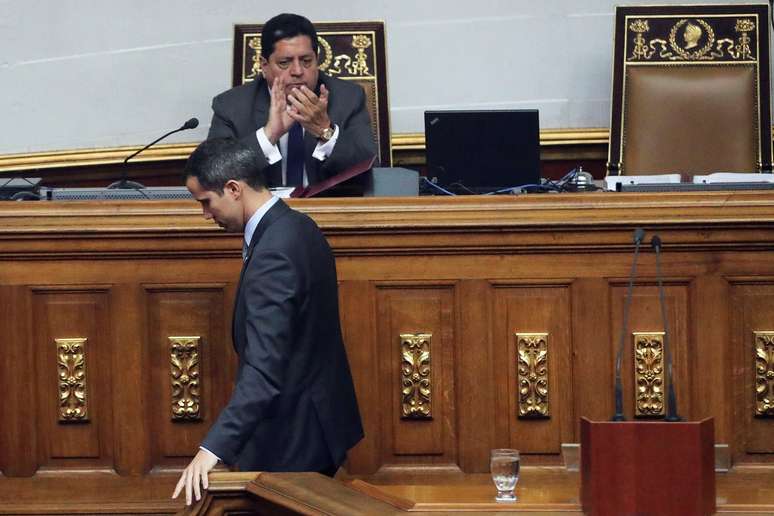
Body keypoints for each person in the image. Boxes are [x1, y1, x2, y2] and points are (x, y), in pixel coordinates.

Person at [173, 138, 364, 506]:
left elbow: (263, 369)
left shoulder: (274, 252)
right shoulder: (298, 226)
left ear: (233, 189)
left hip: (295, 437)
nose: (205, 215)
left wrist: (212, 449)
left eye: (206, 202)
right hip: (316, 422)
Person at [207, 13, 377, 188]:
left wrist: (326, 132)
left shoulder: (347, 98)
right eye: (284, 63)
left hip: (326, 210)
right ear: (264, 66)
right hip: (263, 213)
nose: (297, 71)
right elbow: (211, 175)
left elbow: (369, 169)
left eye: (306, 61)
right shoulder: (230, 106)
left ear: (316, 60)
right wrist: (269, 135)